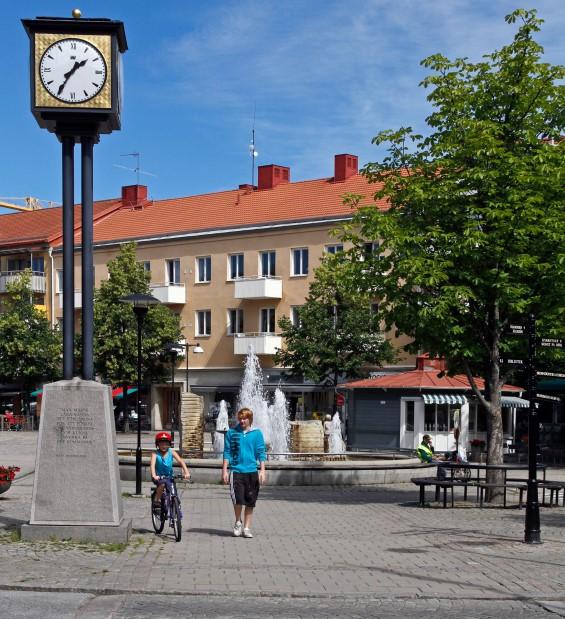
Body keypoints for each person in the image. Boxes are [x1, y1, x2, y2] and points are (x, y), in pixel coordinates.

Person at [222, 408, 266, 538]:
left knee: (250, 501)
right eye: (240, 418)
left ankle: (247, 528)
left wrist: (262, 470)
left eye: (244, 418)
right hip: (236, 471)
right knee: (238, 500)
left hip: (252, 472)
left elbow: (260, 452)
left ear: (250, 419)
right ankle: (237, 522)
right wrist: (224, 470)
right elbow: (227, 452)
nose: (242, 421)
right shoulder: (231, 433)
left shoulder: (257, 434)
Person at [150, 431, 190, 509]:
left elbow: (181, 461)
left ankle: (175, 503)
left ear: (169, 444)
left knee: (173, 491)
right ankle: (156, 500)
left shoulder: (171, 452)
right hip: (159, 477)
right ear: (157, 444)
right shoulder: (155, 454)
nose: (164, 446)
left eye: (166, 443)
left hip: (169, 476)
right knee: (162, 484)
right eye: (161, 443)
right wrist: (154, 475)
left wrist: (186, 472)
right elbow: (152, 465)